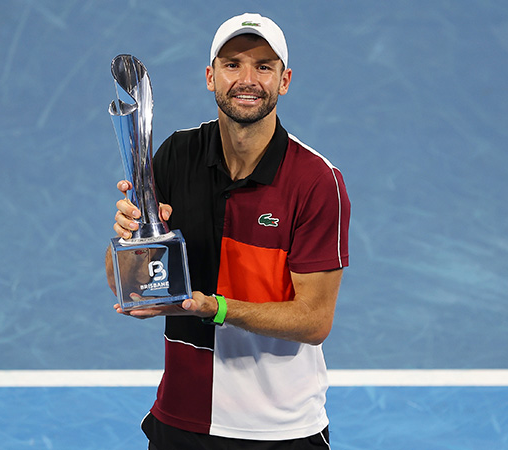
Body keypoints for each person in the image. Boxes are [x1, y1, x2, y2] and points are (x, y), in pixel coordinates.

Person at [106, 12, 351, 450]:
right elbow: (129, 285)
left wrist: (217, 309)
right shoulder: (177, 155)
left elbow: (314, 320)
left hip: (281, 430)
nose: (247, 79)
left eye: (264, 66)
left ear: (285, 80)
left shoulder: (316, 181)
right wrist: (131, 238)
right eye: (232, 64)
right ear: (210, 76)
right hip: (183, 418)